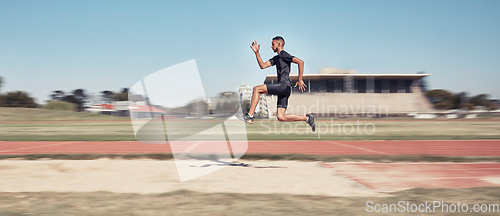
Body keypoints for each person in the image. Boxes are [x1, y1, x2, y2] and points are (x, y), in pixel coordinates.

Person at [239, 36, 315, 132]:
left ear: (279, 44)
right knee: (281, 117)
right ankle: (308, 118)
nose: (271, 46)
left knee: (256, 89)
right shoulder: (277, 58)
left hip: (283, 86)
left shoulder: (284, 54)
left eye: (273, 44)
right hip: (285, 89)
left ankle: (250, 115)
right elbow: (262, 66)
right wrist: (257, 53)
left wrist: (300, 79)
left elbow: (301, 62)